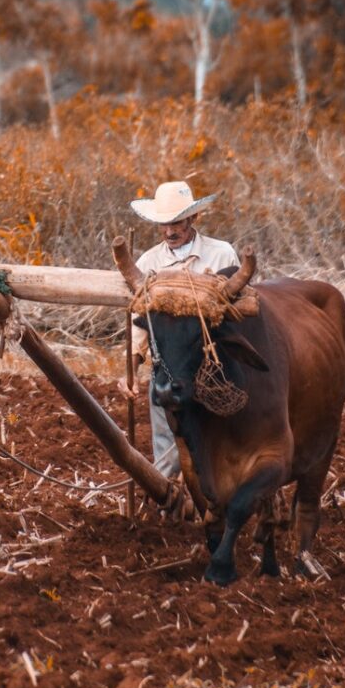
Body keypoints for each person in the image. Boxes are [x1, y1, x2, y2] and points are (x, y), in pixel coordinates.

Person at [121, 181, 239, 481]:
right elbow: (140, 322)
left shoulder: (221, 255)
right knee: (168, 452)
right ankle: (163, 503)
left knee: (216, 447)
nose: (170, 231)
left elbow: (239, 315)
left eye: (177, 222)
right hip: (167, 369)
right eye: (164, 223)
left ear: (193, 219)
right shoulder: (148, 263)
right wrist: (131, 370)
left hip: (213, 369)